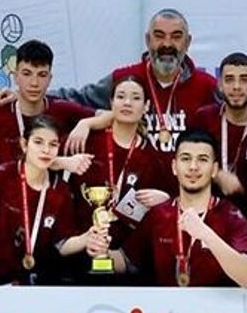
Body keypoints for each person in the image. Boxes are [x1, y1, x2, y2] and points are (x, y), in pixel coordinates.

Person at [52, 9, 247, 156]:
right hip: (133, 190)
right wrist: (27, 97)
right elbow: (72, 99)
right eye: (159, 36)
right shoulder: (123, 79)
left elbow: (238, 102)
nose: (167, 44)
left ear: (187, 43)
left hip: (186, 196)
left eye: (176, 37)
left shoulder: (205, 85)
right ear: (147, 40)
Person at [0, 116, 97, 299]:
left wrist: (85, 239)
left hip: (34, 284)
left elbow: (62, 244)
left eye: (53, 144)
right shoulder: (3, 176)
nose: (46, 150)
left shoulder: (60, 190)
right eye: (38, 142)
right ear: (24, 144)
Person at [99, 130, 247, 287]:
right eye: (186, 159)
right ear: (174, 166)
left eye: (202, 159)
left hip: (214, 303)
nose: (193, 167)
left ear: (214, 169)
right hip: (166, 302)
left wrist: (205, 234)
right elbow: (125, 262)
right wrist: (101, 253)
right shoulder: (159, 214)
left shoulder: (231, 216)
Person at [68, 77, 176, 279]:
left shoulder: (154, 159)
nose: (127, 103)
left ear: (146, 107)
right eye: (121, 96)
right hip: (77, 258)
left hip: (126, 265)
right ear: (111, 103)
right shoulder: (86, 142)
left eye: (135, 98)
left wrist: (165, 200)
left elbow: (175, 205)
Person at [0, 39, 101, 180]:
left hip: (53, 193)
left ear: (50, 78)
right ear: (16, 77)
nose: (34, 83)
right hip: (11, 194)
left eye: (42, 75)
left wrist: (86, 123)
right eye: (27, 74)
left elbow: (110, 115)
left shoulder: (61, 109)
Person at [186, 52, 247, 224]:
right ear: (220, 84)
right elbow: (186, 161)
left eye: (244, 80)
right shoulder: (204, 118)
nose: (236, 87)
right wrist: (217, 174)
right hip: (206, 222)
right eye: (229, 79)